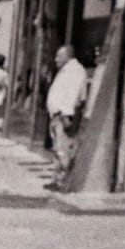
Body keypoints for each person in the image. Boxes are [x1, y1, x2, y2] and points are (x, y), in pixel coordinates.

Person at [45, 45, 89, 189]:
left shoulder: (74, 71)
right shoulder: (67, 70)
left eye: (59, 56)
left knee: (63, 150)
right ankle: (56, 180)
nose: (55, 59)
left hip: (64, 116)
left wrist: (65, 115)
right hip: (57, 115)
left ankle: (63, 182)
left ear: (67, 56)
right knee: (58, 149)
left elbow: (73, 94)